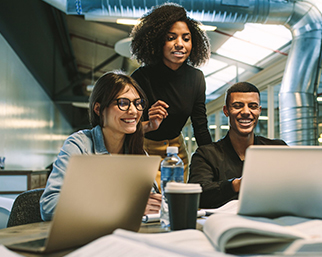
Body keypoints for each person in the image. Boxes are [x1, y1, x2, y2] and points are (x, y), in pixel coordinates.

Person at [40, 71, 162, 221]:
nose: (134, 111)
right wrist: (126, 205)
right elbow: (49, 206)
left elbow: (150, 201)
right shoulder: (79, 146)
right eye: (123, 103)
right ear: (98, 109)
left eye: (138, 103)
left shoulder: (138, 152)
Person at [130, 3, 212, 183]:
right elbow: (126, 127)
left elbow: (201, 126)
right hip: (143, 152)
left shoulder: (196, 78)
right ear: (159, 42)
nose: (180, 44)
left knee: (174, 206)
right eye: (171, 38)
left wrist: (213, 161)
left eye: (186, 38)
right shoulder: (140, 78)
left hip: (176, 155)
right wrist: (147, 122)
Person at [188, 82, 287, 208]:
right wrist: (236, 185)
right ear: (226, 111)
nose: (246, 112)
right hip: (225, 224)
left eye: (252, 106)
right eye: (237, 106)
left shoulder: (278, 149)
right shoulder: (206, 154)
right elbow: (196, 194)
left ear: (259, 111)